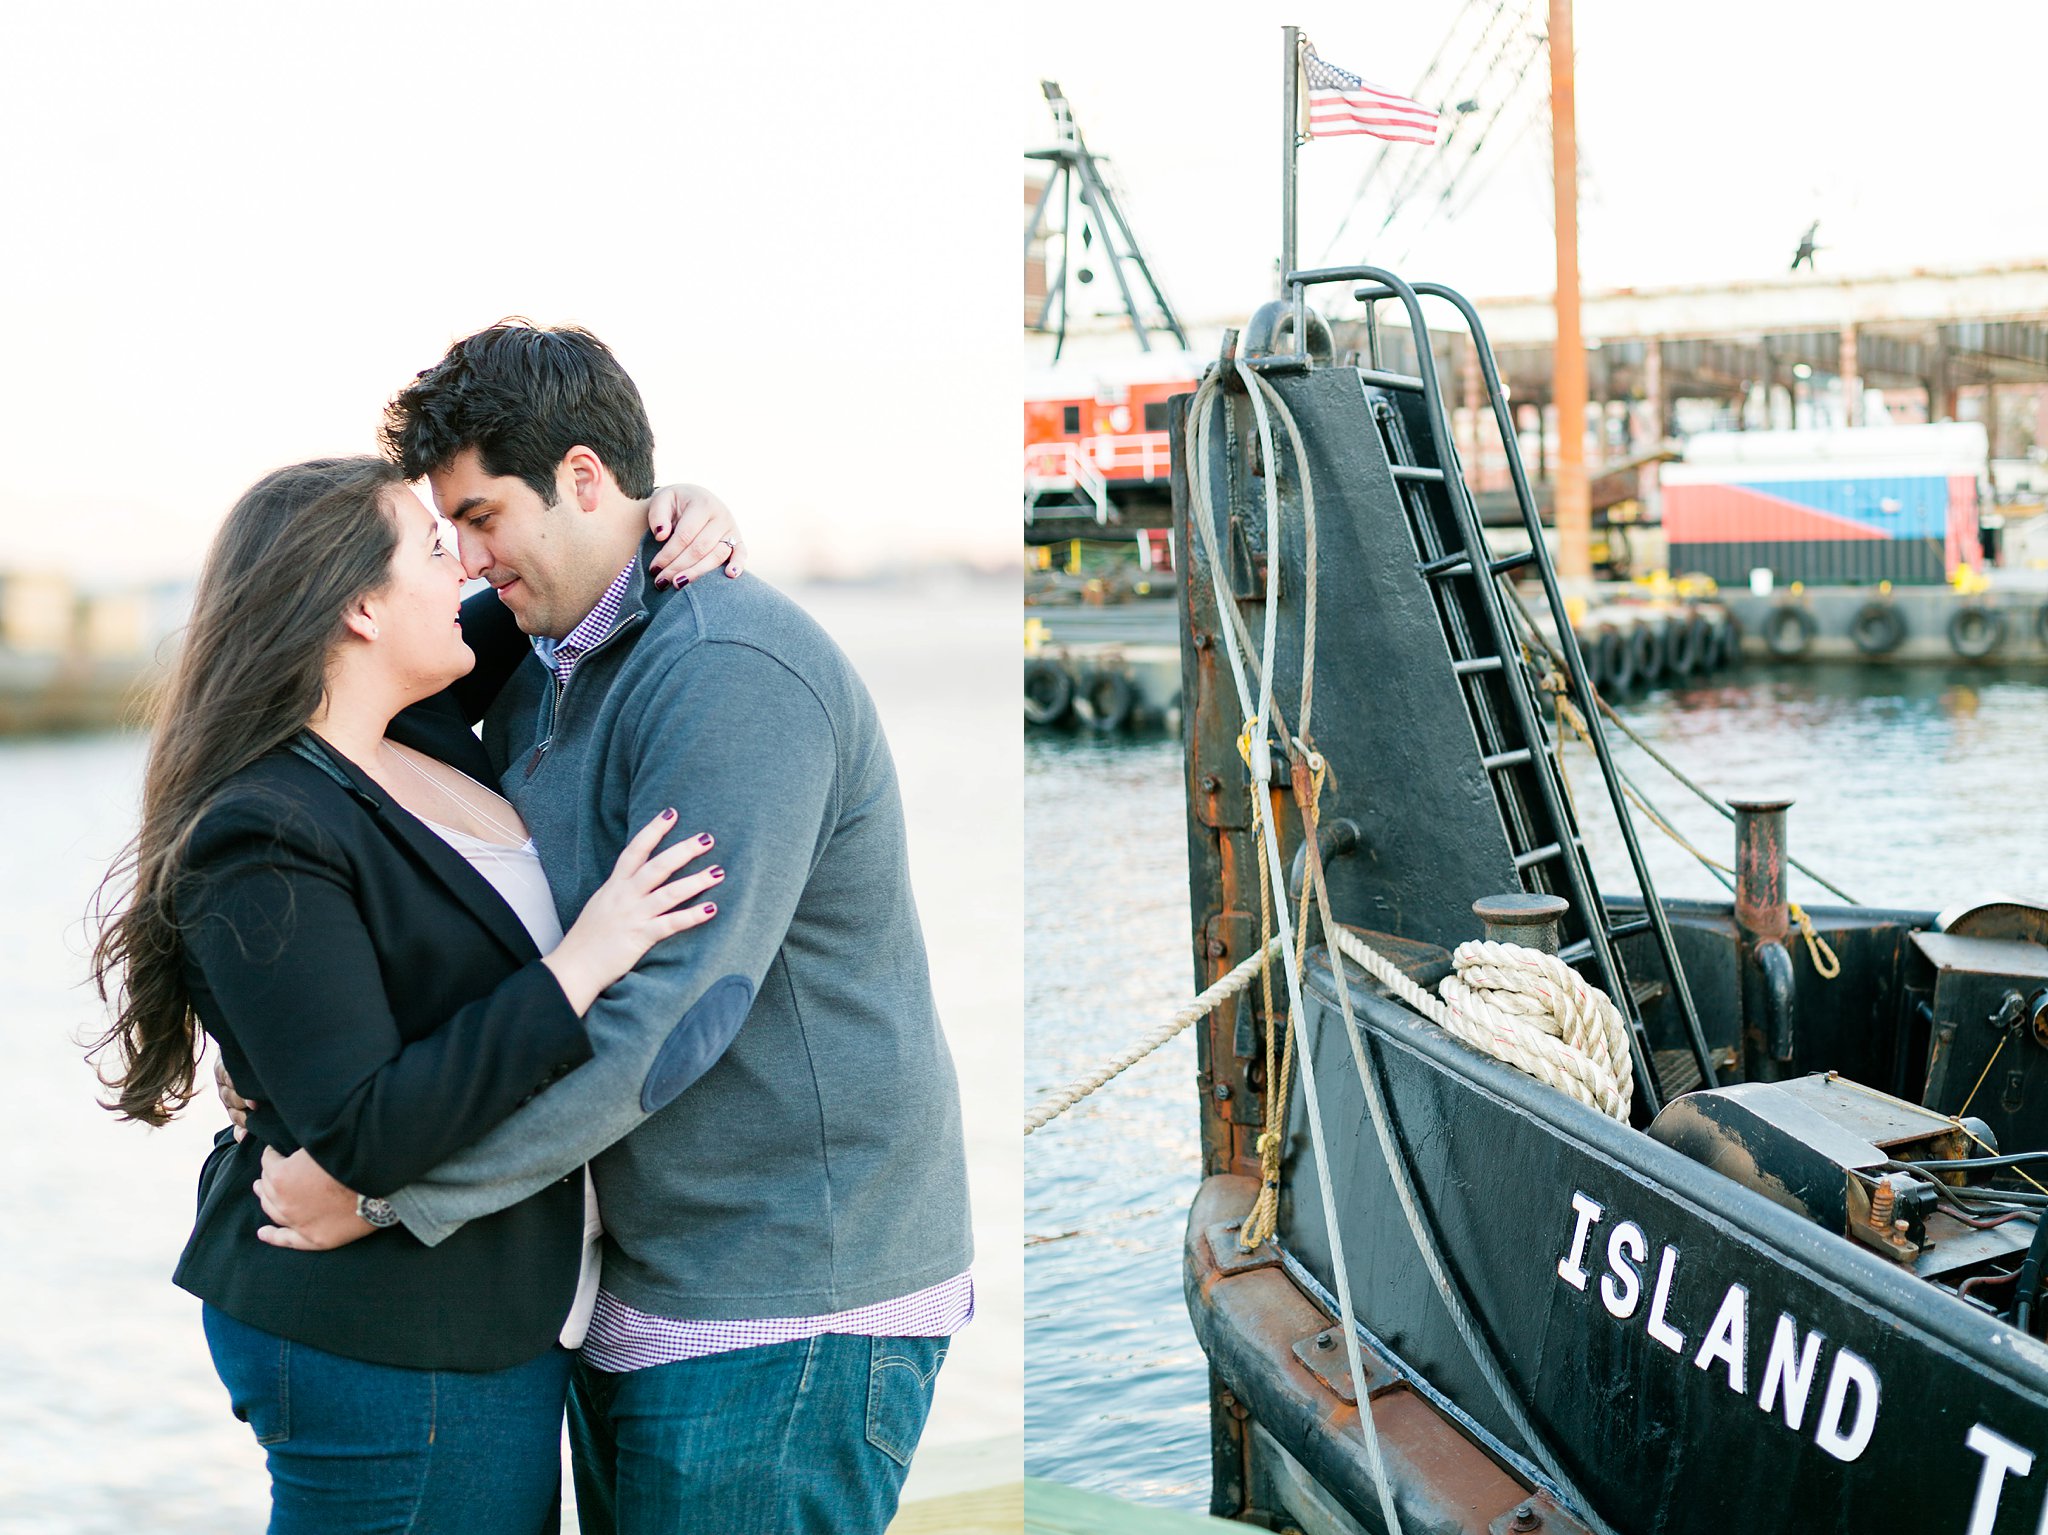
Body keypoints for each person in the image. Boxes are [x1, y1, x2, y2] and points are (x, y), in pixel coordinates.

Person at [252, 322, 975, 1535]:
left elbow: (673, 1020)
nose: (471, 561)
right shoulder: (545, 655)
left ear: (583, 479)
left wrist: (387, 1196)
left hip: (785, 1296)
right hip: (643, 1279)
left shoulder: (729, 672)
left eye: (480, 518)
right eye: (450, 531)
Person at [90, 456, 747, 1533]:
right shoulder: (259, 831)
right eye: (435, 551)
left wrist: (675, 513)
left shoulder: (413, 726)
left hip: (475, 1317)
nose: (468, 567)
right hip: (388, 1336)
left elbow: (572, 577)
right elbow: (363, 1123)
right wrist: (581, 963)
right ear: (358, 606)